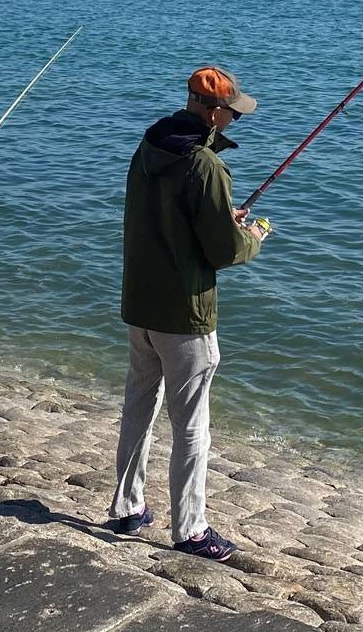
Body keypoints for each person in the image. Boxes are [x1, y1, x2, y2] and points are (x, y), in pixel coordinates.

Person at [107, 65, 271, 560]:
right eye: (232, 113)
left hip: (141, 303)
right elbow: (222, 250)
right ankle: (191, 530)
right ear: (213, 111)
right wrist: (253, 235)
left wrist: (223, 216)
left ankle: (128, 508)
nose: (236, 120)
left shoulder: (150, 147)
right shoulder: (206, 166)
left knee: (139, 406)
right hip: (185, 314)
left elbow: (169, 216)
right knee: (192, 424)